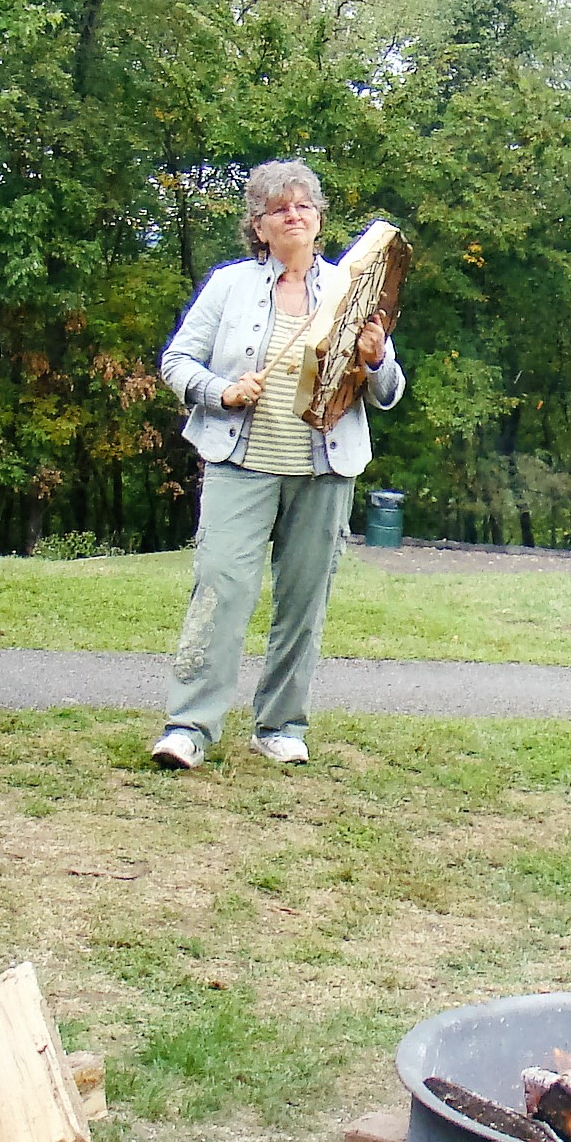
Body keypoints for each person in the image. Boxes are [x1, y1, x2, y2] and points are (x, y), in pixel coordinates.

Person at [150, 160, 404, 769]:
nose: (293, 216)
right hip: (240, 465)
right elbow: (176, 362)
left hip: (324, 472)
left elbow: (390, 392)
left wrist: (374, 359)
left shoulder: (352, 289)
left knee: (303, 601)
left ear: (319, 220)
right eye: (279, 209)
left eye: (304, 206)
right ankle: (189, 728)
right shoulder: (228, 286)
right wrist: (222, 391)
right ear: (258, 227)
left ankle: (280, 725)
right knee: (221, 590)